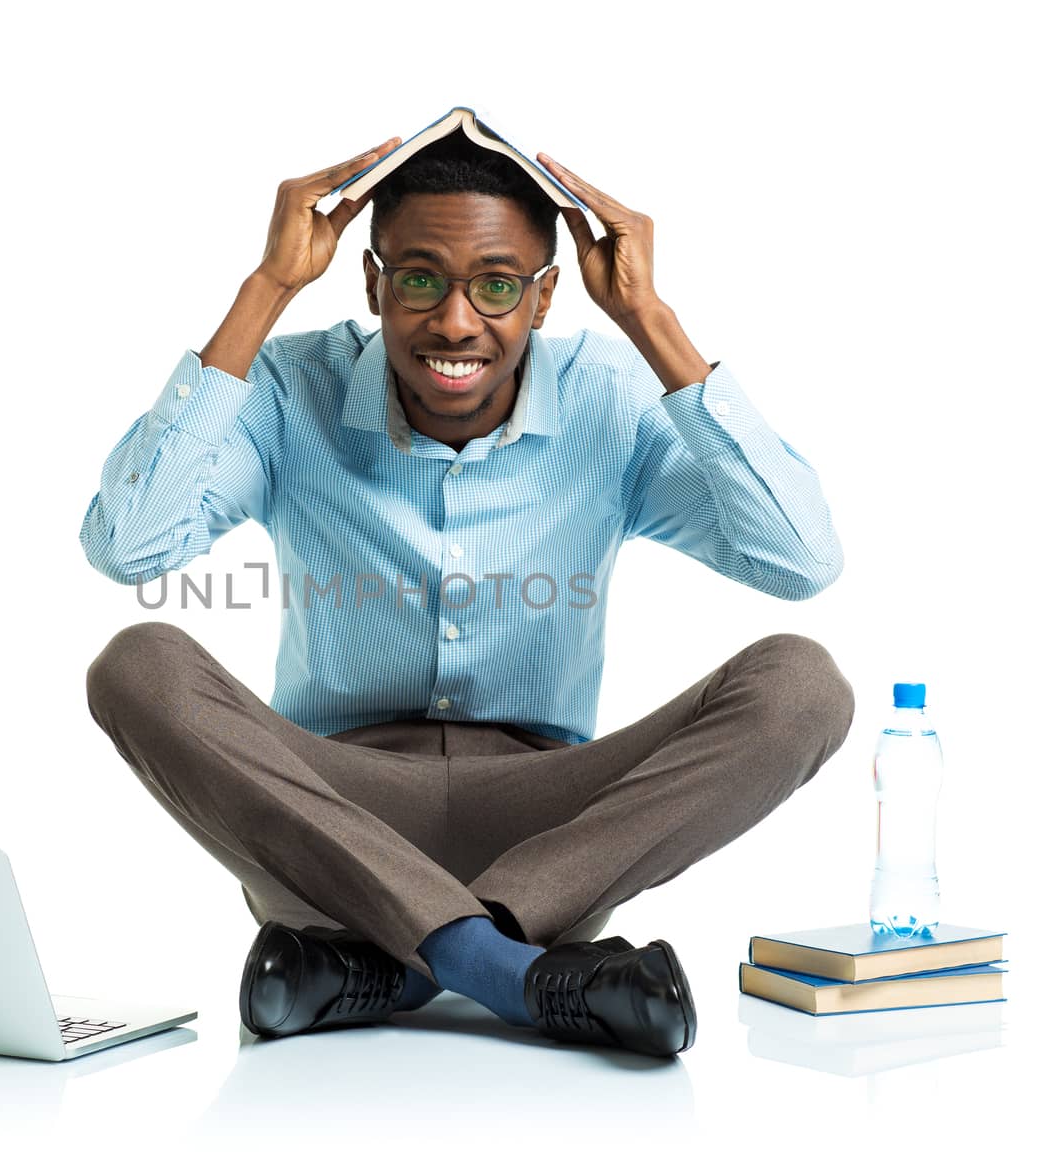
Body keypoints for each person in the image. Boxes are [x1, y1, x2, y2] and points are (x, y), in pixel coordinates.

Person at [80, 127, 854, 1058]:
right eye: (418, 280)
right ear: (372, 284)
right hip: (333, 814)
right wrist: (266, 290)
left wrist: (650, 317)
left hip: (552, 828)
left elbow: (801, 561)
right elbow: (128, 545)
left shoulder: (606, 401)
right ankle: (510, 974)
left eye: (496, 285)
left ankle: (395, 964)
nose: (455, 322)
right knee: (140, 665)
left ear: (543, 295)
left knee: (801, 685)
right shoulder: (292, 389)